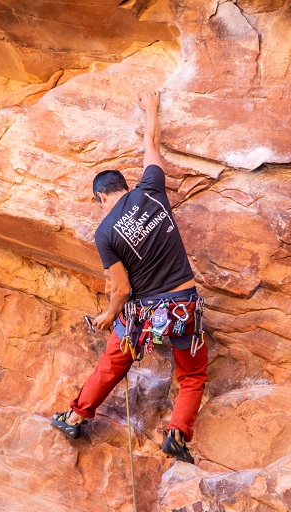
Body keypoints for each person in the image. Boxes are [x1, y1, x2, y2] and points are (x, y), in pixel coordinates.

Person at [51, 90, 209, 464]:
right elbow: (151, 143)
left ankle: (75, 417)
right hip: (183, 306)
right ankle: (176, 436)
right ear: (125, 185)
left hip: (144, 313)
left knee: (113, 363)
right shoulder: (152, 189)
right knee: (192, 376)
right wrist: (151, 107)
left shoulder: (105, 233)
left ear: (99, 198)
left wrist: (109, 315)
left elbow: (121, 288)